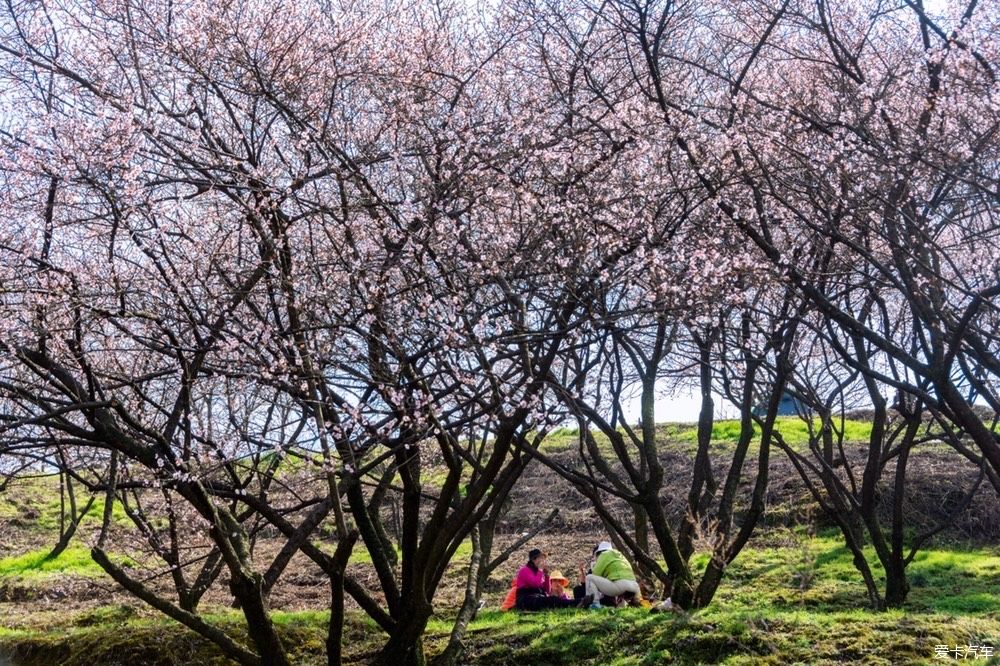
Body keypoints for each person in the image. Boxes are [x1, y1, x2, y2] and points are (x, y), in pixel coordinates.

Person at [513, 548, 579, 611]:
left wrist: (547, 576)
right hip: (526, 599)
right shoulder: (525, 570)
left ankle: (578, 602)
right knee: (552, 600)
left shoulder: (539, 572)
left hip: (537, 597)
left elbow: (547, 590)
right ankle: (576, 603)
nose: (543, 561)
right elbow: (536, 584)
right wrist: (540, 570)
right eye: (540, 558)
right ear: (533, 560)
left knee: (553, 599)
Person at [583, 541, 641, 609]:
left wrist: (593, 567)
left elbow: (596, 573)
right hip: (634, 586)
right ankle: (622, 607)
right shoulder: (620, 556)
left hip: (620, 585)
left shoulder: (604, 554)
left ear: (598, 553)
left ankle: (594, 605)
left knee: (589, 578)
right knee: (619, 589)